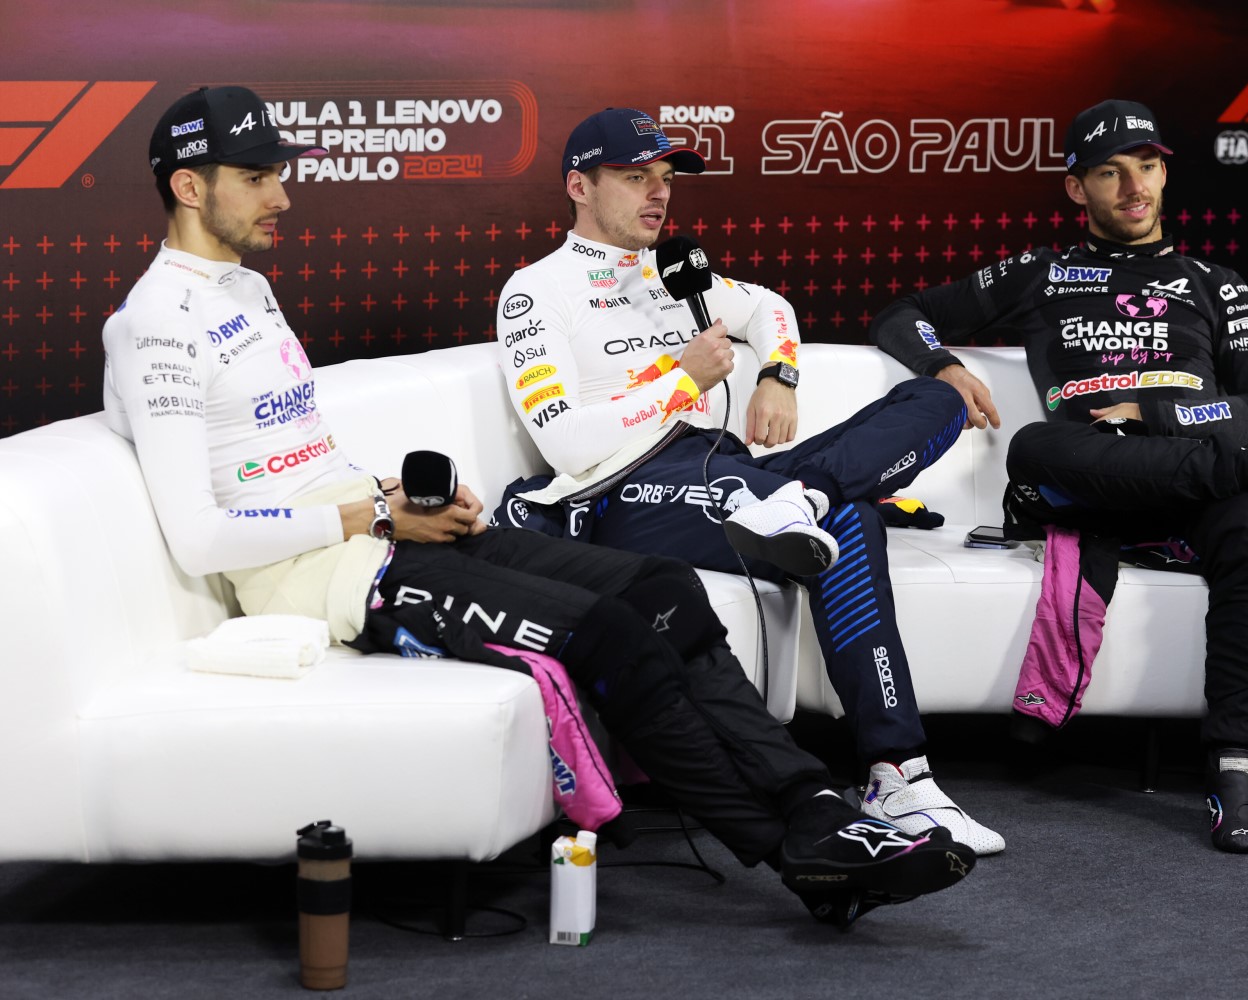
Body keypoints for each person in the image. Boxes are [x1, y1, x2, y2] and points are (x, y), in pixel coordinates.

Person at [101, 85, 977, 927]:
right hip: (329, 582)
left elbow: (291, 462)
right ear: (189, 186)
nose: (282, 196)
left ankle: (820, 800)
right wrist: (372, 519)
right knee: (616, 639)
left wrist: (394, 495)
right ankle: (803, 858)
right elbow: (202, 536)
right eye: (257, 178)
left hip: (379, 531)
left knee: (665, 589)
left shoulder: (245, 288)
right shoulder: (155, 324)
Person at [494, 107, 1004, 855]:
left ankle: (810, 497)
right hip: (620, 491)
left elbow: (772, 308)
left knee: (937, 399)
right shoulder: (535, 292)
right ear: (579, 185)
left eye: (665, 180)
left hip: (730, 469)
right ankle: (899, 769)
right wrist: (679, 378)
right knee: (853, 522)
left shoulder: (673, 273)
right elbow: (566, 443)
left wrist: (779, 375)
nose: (658, 195)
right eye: (636, 178)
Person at [870, 99, 1248, 854]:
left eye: (1147, 166)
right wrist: (944, 366)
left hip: (1198, 489)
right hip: (1093, 486)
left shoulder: (1216, 282)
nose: (1133, 186)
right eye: (1110, 172)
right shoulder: (1042, 270)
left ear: (1165, 172)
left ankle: (1235, 769)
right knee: (1036, 447)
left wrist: (1153, 416)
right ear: (1077, 189)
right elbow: (901, 314)